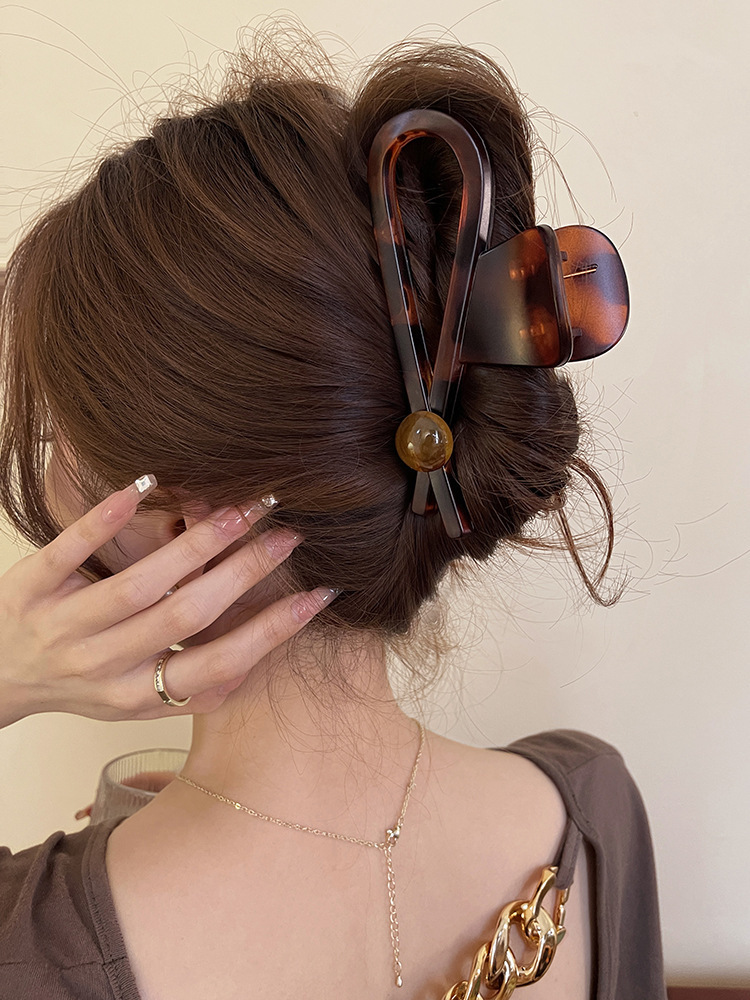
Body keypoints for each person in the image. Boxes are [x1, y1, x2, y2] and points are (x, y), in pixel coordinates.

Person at [0, 24, 667, 1000]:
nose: (53, 483)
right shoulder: (591, 813)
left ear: (183, 524)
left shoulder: (28, 939)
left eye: (63, 440)